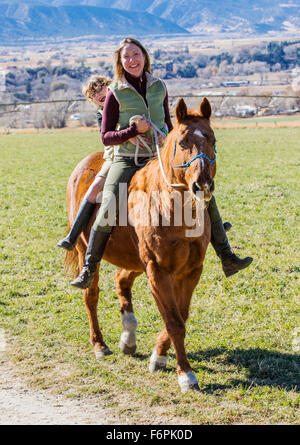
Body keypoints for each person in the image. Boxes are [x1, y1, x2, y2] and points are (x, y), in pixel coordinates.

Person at [71, 37, 252, 289]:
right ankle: (89, 267)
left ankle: (227, 256)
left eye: (136, 54)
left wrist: (173, 141)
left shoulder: (158, 86)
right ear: (120, 62)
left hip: (159, 156)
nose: (132, 60)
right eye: (127, 57)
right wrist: (132, 131)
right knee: (109, 205)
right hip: (127, 159)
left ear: (144, 56)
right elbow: (106, 136)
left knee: (203, 189)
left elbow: (168, 122)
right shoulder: (115, 93)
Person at [57, 75, 113, 251]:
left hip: (141, 148)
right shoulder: (100, 114)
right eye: (93, 94)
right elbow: (106, 139)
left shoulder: (123, 103)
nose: (98, 94)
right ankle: (73, 235)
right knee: (95, 187)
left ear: (108, 86)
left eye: (100, 88)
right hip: (115, 153)